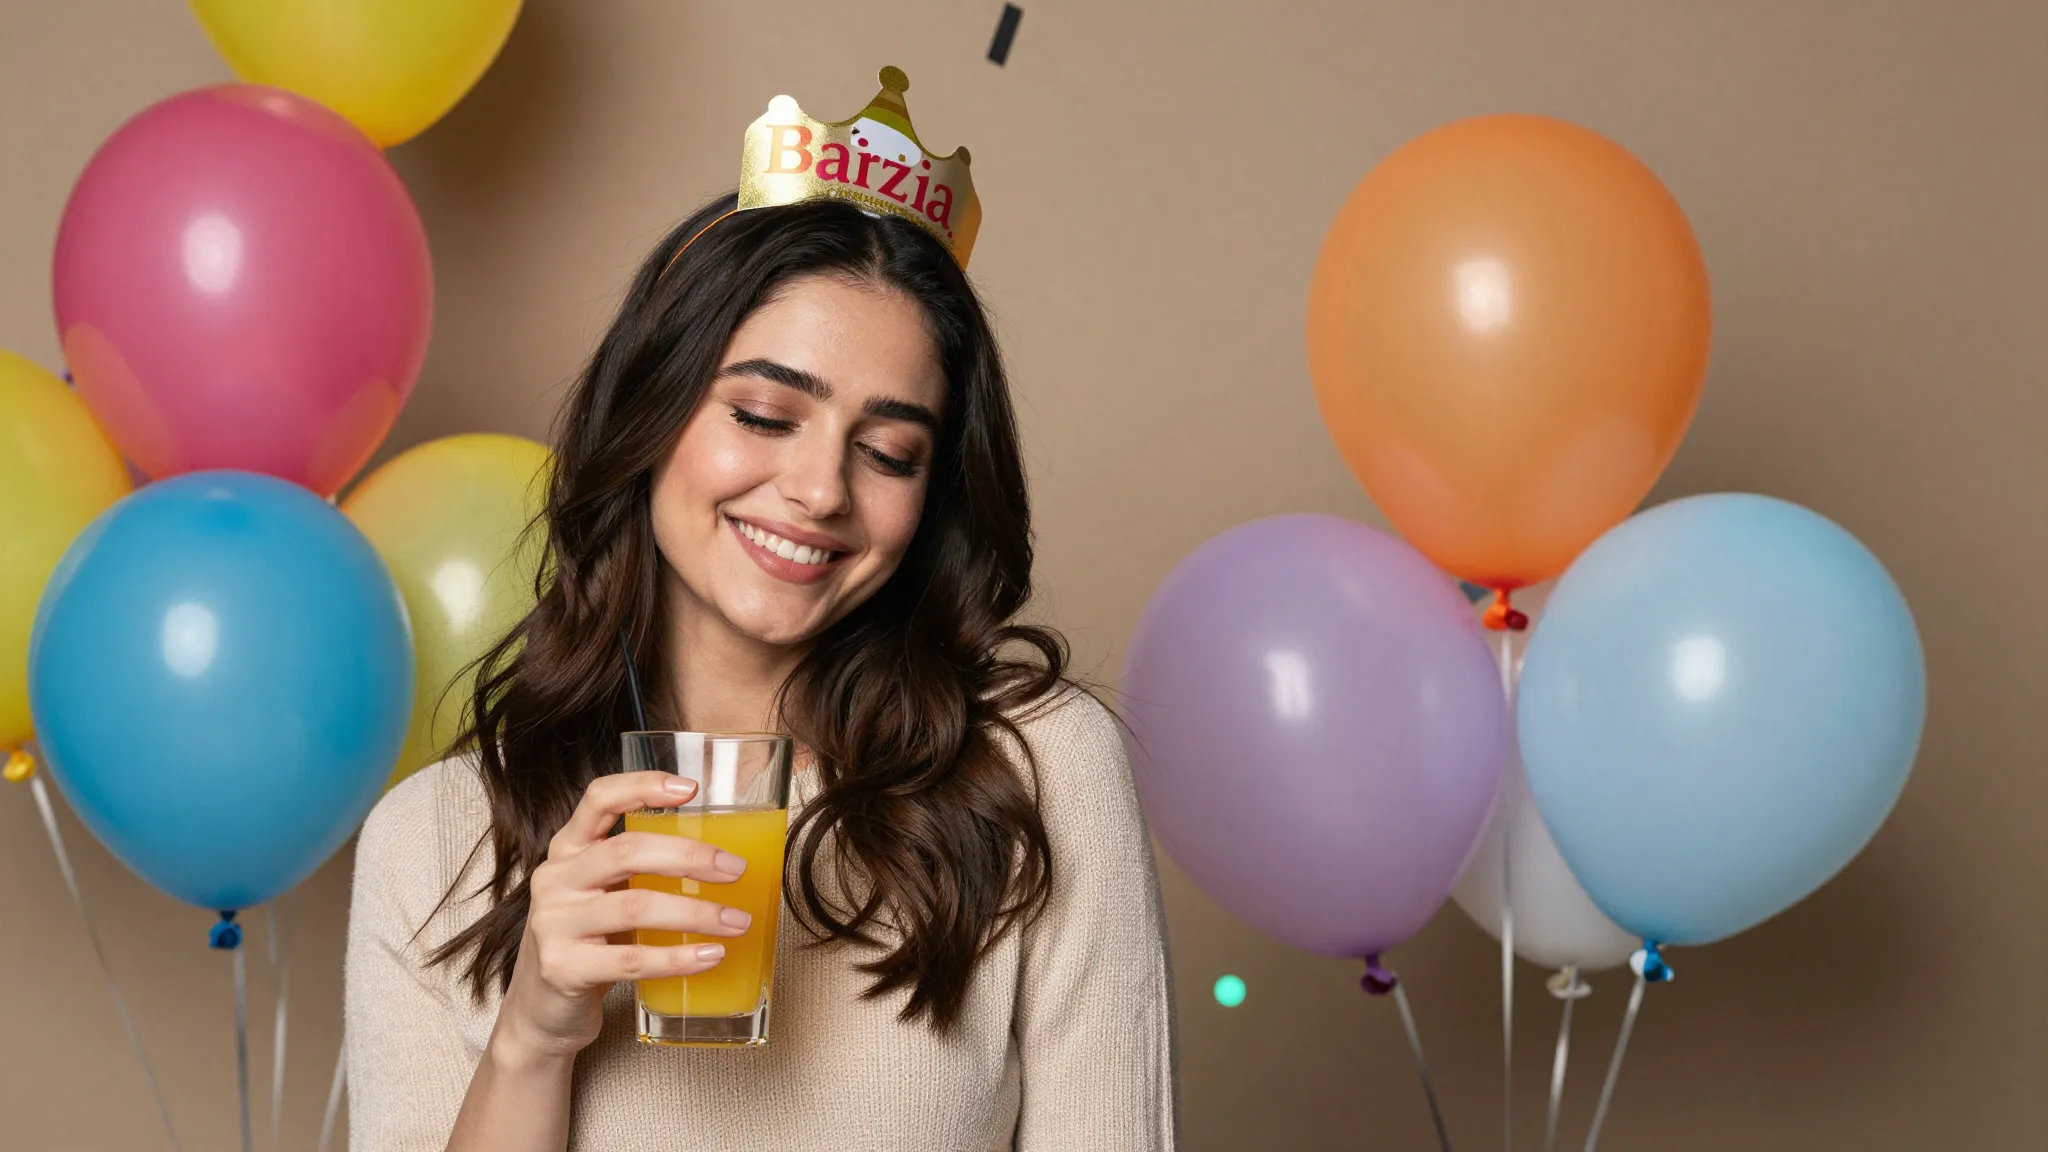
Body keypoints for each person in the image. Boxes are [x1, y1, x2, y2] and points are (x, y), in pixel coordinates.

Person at [344, 68, 1175, 1151]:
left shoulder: (1037, 776)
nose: (820, 490)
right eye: (763, 413)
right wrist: (533, 1038)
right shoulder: (434, 840)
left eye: (887, 451)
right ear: (650, 414)